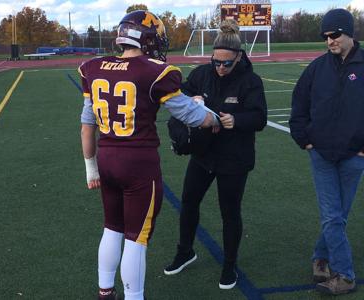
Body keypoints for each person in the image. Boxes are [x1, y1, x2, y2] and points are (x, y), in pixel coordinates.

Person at [79, 10, 218, 300]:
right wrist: (212, 118)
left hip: (106, 158)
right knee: (136, 239)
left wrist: (91, 167)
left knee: (112, 227)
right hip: (138, 163)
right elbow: (190, 115)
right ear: (146, 38)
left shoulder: (93, 67)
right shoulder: (154, 71)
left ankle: (105, 292)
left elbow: (87, 124)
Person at [163, 19, 267, 289]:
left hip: (234, 158)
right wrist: (191, 99)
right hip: (203, 154)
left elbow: (259, 117)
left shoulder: (251, 81)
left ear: (239, 57)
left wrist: (236, 121)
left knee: (229, 212)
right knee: (188, 201)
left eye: (226, 63)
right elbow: (182, 92)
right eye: (216, 62)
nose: (220, 68)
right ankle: (185, 251)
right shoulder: (201, 74)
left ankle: (229, 265)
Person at [289, 8, 364, 295]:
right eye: (325, 36)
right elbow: (299, 106)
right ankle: (345, 275)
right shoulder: (317, 68)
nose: (329, 40)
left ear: (349, 32)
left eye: (334, 34)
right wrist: (304, 140)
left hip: (354, 156)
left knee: (338, 215)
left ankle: (320, 257)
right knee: (333, 216)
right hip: (321, 154)